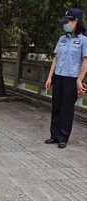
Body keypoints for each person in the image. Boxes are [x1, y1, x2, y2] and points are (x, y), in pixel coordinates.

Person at [45, 8, 87, 149]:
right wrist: (50, 77)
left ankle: (63, 137)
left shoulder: (83, 40)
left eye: (68, 21)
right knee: (56, 106)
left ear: (76, 21)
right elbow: (56, 59)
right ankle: (54, 135)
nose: (66, 24)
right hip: (59, 77)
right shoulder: (62, 39)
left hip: (71, 78)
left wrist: (79, 80)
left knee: (66, 109)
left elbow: (85, 62)